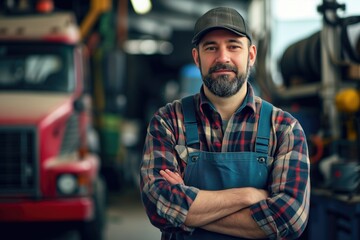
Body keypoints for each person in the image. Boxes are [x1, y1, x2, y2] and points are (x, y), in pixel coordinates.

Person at [140, 6, 310, 240]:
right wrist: (248, 196)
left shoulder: (283, 128)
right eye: (211, 48)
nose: (223, 58)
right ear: (196, 57)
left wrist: (188, 212)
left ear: (250, 55)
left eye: (233, 46)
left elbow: (289, 219)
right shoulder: (168, 121)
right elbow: (159, 207)